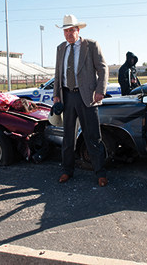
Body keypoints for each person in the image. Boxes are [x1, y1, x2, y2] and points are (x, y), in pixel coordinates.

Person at [53, 14, 109, 187]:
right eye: (66, 31)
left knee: (93, 137)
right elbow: (57, 74)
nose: (68, 34)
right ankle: (66, 170)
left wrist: (100, 90)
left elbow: (103, 69)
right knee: (68, 138)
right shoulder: (60, 48)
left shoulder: (91, 45)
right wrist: (56, 95)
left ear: (78, 30)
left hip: (87, 98)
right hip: (67, 97)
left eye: (71, 30)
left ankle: (100, 172)